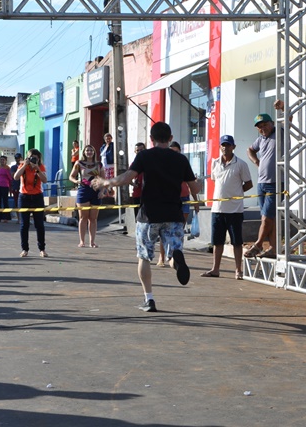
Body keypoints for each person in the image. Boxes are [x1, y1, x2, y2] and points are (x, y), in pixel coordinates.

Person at [92, 122, 201, 313]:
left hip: (149, 215)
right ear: (170, 137)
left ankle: (149, 299)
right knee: (172, 253)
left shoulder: (145, 156)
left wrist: (105, 181)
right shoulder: (181, 159)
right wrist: (195, 197)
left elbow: (126, 178)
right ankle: (177, 260)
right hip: (174, 214)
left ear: (151, 139)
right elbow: (194, 188)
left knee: (144, 257)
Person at [201, 135, 253, 280]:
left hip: (235, 209)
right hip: (217, 208)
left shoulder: (241, 164)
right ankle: (215, 269)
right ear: (220, 147)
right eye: (223, 145)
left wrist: (237, 192)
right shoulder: (215, 163)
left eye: (228, 145)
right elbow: (214, 180)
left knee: (237, 241)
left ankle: (238, 270)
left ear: (233, 147)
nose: (225, 148)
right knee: (217, 241)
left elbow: (249, 184)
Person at [245, 101, 284, 259]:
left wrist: (282, 107)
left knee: (266, 217)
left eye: (265, 125)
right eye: (259, 126)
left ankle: (258, 244)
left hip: (275, 183)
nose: (263, 128)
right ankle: (274, 249)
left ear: (272, 123)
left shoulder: (279, 132)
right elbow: (250, 150)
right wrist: (256, 162)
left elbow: (288, 118)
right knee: (269, 218)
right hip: (262, 183)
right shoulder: (261, 139)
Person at [14, 148, 48, 258]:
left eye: (36, 158)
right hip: (24, 196)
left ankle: (42, 249)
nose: (34, 160)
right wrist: (25, 165)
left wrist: (37, 168)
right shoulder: (23, 165)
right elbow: (15, 177)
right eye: (32, 158)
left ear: (39, 159)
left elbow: (44, 180)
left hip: (37, 196)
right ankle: (24, 249)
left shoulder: (40, 167)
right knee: (24, 225)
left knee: (39, 225)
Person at [70, 144, 101, 248]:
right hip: (83, 190)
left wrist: (103, 191)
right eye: (87, 150)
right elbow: (71, 176)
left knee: (93, 218)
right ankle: (82, 241)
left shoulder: (98, 164)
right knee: (83, 217)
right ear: (84, 152)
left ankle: (92, 242)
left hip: (95, 191)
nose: (89, 152)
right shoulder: (79, 163)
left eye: (91, 150)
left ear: (94, 152)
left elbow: (104, 179)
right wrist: (76, 181)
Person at [0, 156, 12, 223]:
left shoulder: (8, 168)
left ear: (6, 161)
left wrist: (10, 187)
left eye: (3, 160)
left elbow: (10, 178)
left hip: (5, 186)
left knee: (5, 202)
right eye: (1, 160)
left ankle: (6, 218)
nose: (2, 161)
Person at [99, 133, 115, 197]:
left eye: (109, 138)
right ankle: (106, 192)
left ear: (111, 139)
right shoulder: (103, 146)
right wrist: (106, 146)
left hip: (110, 165)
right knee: (105, 179)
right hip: (104, 165)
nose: (107, 140)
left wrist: (109, 146)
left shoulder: (113, 145)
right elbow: (101, 154)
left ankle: (110, 191)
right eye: (106, 139)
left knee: (110, 179)